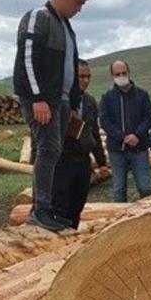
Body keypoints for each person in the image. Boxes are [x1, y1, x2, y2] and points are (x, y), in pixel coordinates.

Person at [12, 0, 89, 231]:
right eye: (77, 3)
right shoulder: (39, 16)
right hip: (45, 100)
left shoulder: (67, 27)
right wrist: (37, 98)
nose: (79, 9)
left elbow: (70, 68)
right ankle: (40, 211)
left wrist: (75, 101)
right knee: (48, 149)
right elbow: (28, 58)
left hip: (63, 101)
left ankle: (50, 209)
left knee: (56, 152)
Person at [51, 59, 106, 229]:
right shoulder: (57, 100)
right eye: (81, 76)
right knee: (60, 207)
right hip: (62, 161)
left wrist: (102, 162)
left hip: (83, 162)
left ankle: (71, 238)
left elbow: (94, 133)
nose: (86, 80)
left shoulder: (90, 101)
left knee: (77, 205)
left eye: (88, 76)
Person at [99, 60, 151, 202]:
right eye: (117, 74)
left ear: (129, 72)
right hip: (117, 150)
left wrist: (137, 135)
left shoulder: (142, 95)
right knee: (119, 189)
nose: (121, 76)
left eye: (124, 73)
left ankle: (150, 219)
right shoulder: (107, 98)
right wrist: (122, 137)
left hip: (139, 148)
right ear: (112, 76)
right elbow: (105, 121)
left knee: (145, 188)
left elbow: (148, 117)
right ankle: (121, 220)